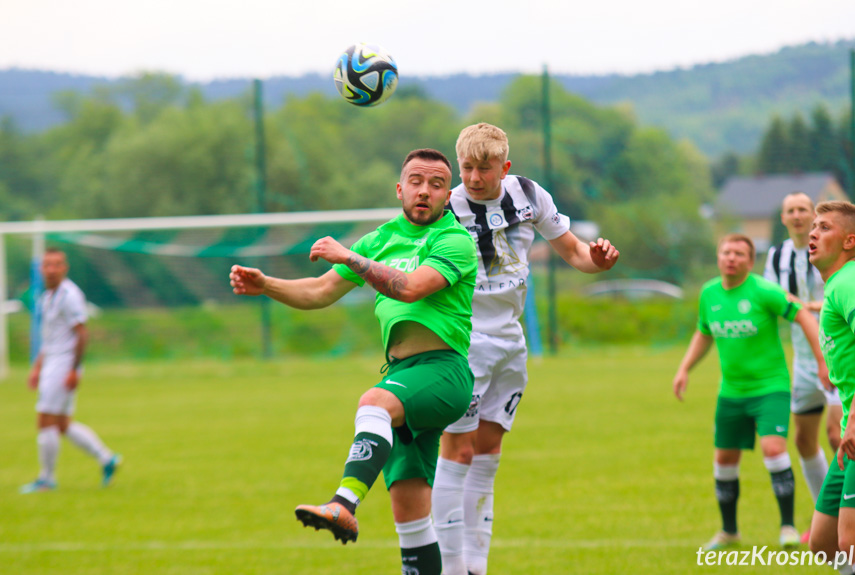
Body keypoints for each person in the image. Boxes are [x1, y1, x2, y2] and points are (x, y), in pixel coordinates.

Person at [229, 148, 477, 575]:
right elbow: (318, 292)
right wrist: (267, 284)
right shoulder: (380, 239)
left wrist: (349, 257)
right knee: (410, 511)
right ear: (400, 189)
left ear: (448, 195)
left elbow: (411, 288)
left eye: (437, 184)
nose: (425, 191)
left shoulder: (454, 240)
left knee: (374, 402)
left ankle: (344, 503)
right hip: (404, 374)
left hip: (443, 371)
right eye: (416, 181)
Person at [431, 122, 619, 575]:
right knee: (456, 451)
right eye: (467, 168)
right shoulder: (446, 208)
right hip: (465, 341)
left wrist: (599, 260)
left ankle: (477, 564)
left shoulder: (530, 195)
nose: (474, 178)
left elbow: (574, 252)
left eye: (485, 168)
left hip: (511, 342)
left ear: (505, 166)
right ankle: (451, 567)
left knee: (489, 453)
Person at [673, 233, 829, 550]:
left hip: (770, 388)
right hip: (731, 392)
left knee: (774, 449)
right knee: (724, 459)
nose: (732, 258)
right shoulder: (709, 293)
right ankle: (729, 532)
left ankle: (787, 527)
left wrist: (821, 361)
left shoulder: (763, 290)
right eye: (726, 252)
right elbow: (705, 332)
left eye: (739, 254)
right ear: (718, 257)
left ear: (749, 261)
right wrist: (685, 368)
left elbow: (803, 315)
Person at [764, 192, 843, 541]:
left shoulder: (832, 248)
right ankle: (824, 517)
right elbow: (773, 300)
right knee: (804, 439)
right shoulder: (777, 255)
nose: (797, 215)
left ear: (812, 214)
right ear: (783, 218)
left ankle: (849, 512)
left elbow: (839, 296)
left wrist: (804, 305)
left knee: (838, 435)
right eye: (790, 210)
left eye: (802, 209)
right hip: (802, 360)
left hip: (837, 356)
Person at [20, 248, 122, 493]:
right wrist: (37, 367)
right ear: (41, 269)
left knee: (45, 420)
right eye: (47, 265)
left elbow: (82, 333)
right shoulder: (45, 297)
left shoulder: (70, 295)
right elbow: (50, 338)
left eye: (56, 264)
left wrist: (73, 370)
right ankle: (107, 459)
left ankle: (46, 479)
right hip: (51, 363)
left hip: (63, 365)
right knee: (63, 424)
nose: (51, 269)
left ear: (64, 268)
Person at [806, 201, 855, 575]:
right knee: (823, 543)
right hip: (851, 431)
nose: (812, 233)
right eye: (813, 226)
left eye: (824, 227)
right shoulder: (836, 287)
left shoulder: (850, 281)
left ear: (849, 241)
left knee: (850, 542)